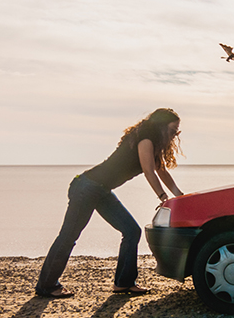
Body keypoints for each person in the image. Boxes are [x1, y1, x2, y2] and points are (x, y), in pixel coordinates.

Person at [34, 108, 184, 298]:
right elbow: (149, 171)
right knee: (68, 236)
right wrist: (163, 197)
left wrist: (179, 196)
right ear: (162, 126)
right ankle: (46, 285)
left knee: (131, 231)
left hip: (100, 189)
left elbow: (161, 171)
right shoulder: (145, 139)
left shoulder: (152, 143)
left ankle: (124, 283)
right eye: (173, 130)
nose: (175, 135)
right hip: (86, 187)